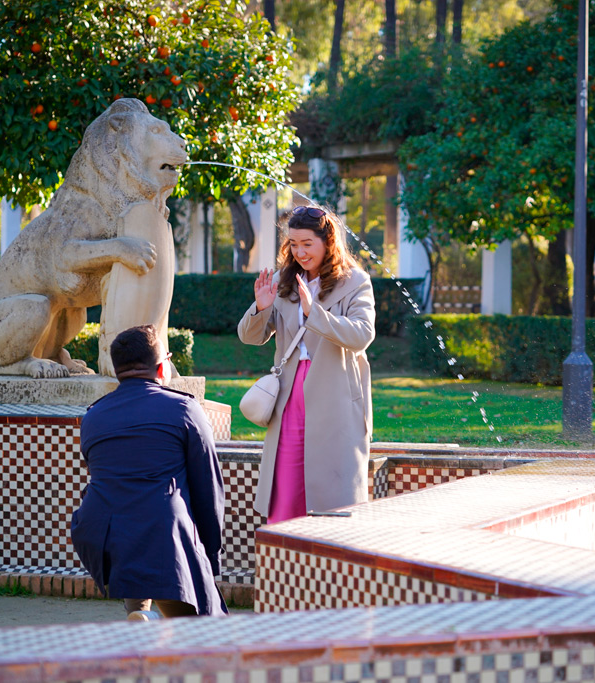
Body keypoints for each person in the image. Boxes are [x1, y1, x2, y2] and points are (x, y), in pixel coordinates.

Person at [69, 325, 228, 620]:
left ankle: (139, 615)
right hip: (163, 532)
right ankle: (157, 624)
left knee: (132, 514)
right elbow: (208, 489)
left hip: (100, 532)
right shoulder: (183, 409)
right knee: (203, 624)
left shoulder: (92, 417)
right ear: (161, 366)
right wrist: (209, 556)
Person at [237, 205, 375, 523]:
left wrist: (317, 315)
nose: (299, 252)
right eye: (293, 244)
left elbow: (362, 335)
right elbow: (250, 337)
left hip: (336, 395)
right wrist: (260, 308)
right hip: (288, 395)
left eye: (307, 244)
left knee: (332, 492)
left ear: (328, 242)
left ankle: (331, 563)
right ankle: (284, 562)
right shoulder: (285, 281)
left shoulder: (355, 282)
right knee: (285, 485)